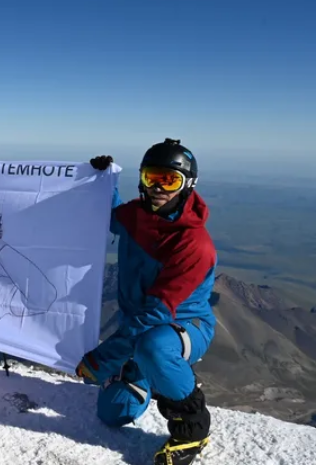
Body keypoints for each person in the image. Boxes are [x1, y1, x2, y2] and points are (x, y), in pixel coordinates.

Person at [76, 138, 216, 465]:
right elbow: (108, 218)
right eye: (151, 177)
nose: (157, 188)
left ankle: (192, 428)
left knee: (154, 346)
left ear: (187, 184)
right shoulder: (137, 215)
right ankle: (146, 374)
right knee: (113, 413)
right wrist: (103, 180)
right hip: (140, 327)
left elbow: (154, 314)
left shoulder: (194, 244)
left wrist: (100, 360)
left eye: (169, 180)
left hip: (183, 326)